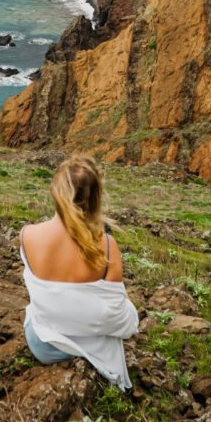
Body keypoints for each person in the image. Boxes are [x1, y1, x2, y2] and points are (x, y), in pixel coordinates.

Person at [20, 154, 138, 390]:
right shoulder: (105, 245)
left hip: (42, 345)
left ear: (56, 191)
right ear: (96, 198)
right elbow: (122, 322)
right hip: (92, 346)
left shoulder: (27, 235)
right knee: (126, 306)